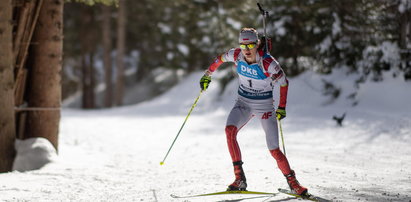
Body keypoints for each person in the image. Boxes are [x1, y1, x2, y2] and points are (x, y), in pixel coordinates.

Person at [199, 28, 308, 195]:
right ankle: (239, 179)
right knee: (229, 131)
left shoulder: (268, 63)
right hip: (243, 102)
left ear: (257, 44)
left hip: (264, 106)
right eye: (243, 45)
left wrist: (281, 107)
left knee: (274, 149)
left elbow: (284, 83)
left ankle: (293, 183)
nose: (247, 49)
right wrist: (208, 74)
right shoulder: (236, 55)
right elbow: (220, 58)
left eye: (250, 45)